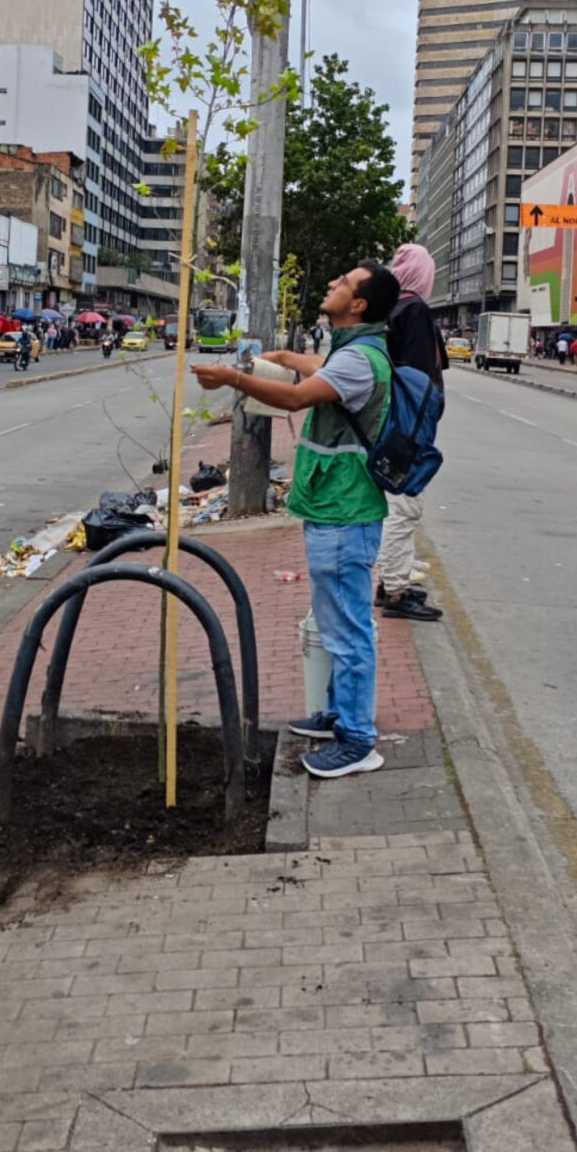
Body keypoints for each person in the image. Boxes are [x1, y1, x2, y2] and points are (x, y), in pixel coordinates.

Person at [192, 263, 402, 781]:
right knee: (334, 622)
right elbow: (312, 367)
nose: (331, 283)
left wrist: (231, 379)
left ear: (359, 305)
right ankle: (338, 714)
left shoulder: (359, 360)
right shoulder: (353, 350)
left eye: (343, 283)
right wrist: (282, 358)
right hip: (335, 507)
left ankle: (357, 740)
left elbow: (295, 397)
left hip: (345, 511)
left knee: (349, 628)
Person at [373, 246, 445, 623]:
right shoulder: (413, 309)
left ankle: (390, 581)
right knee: (404, 507)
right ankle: (395, 590)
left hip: (394, 421)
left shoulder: (392, 307)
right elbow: (418, 378)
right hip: (407, 426)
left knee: (397, 505)